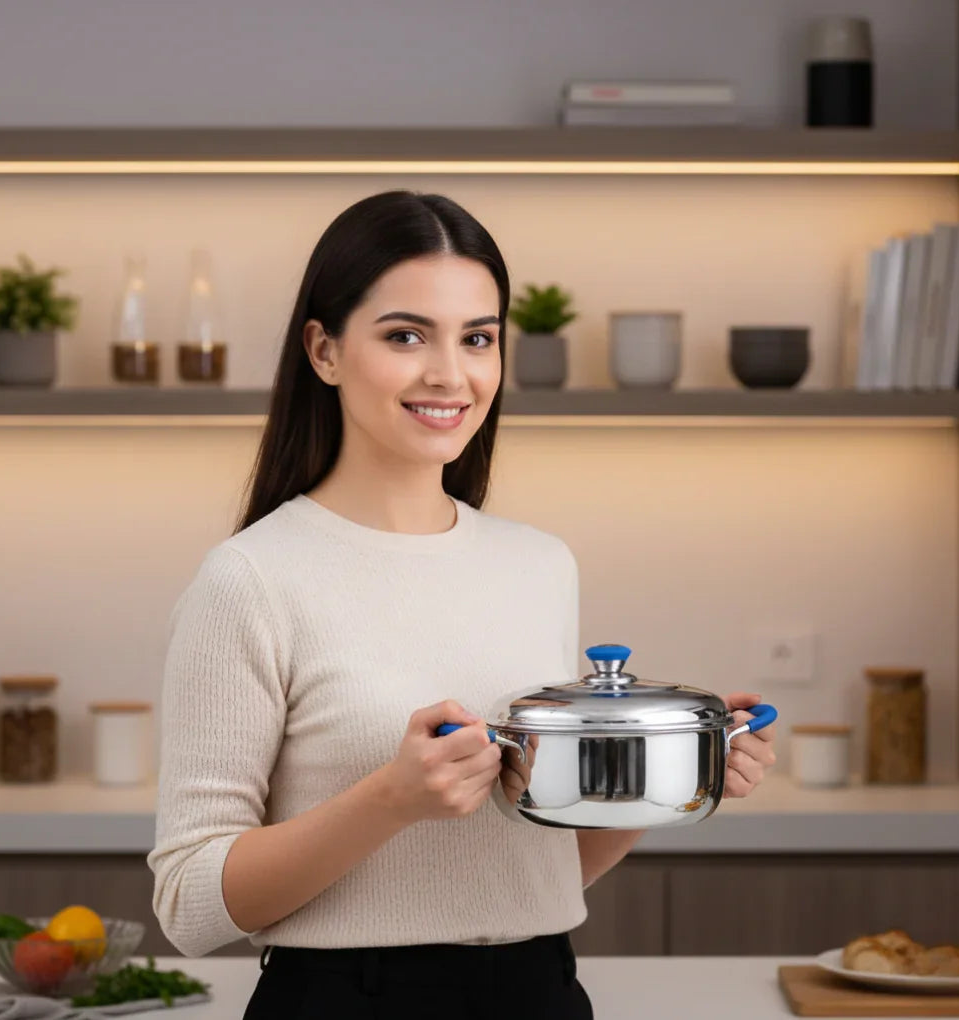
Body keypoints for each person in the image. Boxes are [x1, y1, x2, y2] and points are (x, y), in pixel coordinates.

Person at [146, 190, 777, 1019]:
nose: (451, 374)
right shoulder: (252, 580)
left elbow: (519, 874)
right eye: (406, 335)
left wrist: (669, 777)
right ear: (324, 350)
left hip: (541, 994)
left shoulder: (539, 564)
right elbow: (190, 903)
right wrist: (389, 799)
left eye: (478, 338)